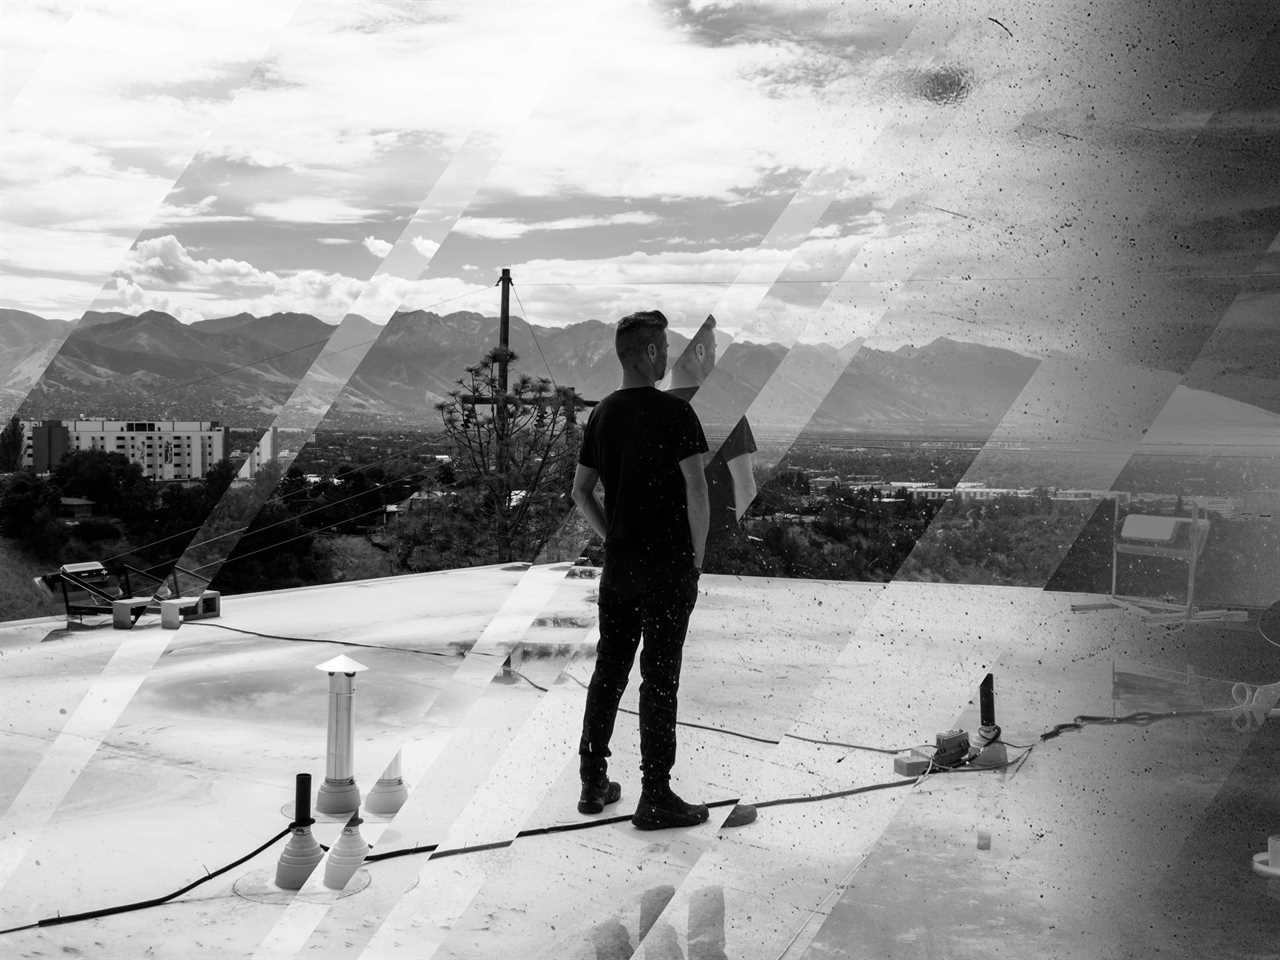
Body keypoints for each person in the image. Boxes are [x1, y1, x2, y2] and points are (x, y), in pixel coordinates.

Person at [572, 309, 712, 830]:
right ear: (651, 353)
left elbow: (579, 493)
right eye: (666, 347)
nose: (669, 356)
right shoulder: (676, 414)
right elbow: (697, 491)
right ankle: (655, 793)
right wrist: (695, 560)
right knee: (659, 678)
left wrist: (614, 537)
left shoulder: (602, 415)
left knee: (610, 670)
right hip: (668, 568)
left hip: (621, 569)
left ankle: (593, 781)